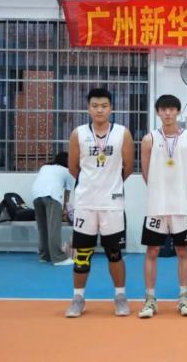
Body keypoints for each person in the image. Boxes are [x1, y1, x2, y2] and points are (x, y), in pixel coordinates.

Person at [65, 88, 134, 318]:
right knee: (82, 254)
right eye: (95, 106)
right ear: (88, 108)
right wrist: (91, 185)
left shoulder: (122, 133)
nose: (99, 110)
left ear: (111, 108)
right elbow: (73, 167)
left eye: (104, 106)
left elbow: (128, 167)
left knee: (114, 253)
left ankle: (120, 297)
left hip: (112, 204)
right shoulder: (78, 134)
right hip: (85, 203)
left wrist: (110, 186)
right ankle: (78, 298)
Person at [138, 95, 187, 319]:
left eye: (172, 109)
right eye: (163, 109)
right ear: (157, 112)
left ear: (178, 111)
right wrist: (159, 190)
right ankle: (150, 299)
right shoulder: (149, 139)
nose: (168, 113)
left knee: (183, 251)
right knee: (152, 251)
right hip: (156, 206)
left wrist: (178, 190)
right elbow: (146, 172)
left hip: (180, 206)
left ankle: (184, 298)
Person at [32, 151, 75, 266]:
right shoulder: (68, 171)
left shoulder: (45, 167)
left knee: (43, 228)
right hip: (52, 196)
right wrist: (65, 208)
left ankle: (44, 255)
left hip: (36, 195)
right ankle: (58, 258)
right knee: (54, 228)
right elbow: (67, 191)